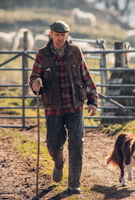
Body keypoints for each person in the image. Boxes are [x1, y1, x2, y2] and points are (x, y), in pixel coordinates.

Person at [29, 20, 98, 194]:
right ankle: (59, 163)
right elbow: (33, 78)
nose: (60, 39)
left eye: (63, 35)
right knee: (53, 145)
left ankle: (74, 183)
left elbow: (87, 78)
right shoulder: (42, 55)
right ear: (50, 34)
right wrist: (34, 85)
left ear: (67, 35)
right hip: (53, 108)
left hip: (75, 106)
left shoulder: (75, 52)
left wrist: (92, 100)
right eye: (57, 35)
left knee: (76, 143)